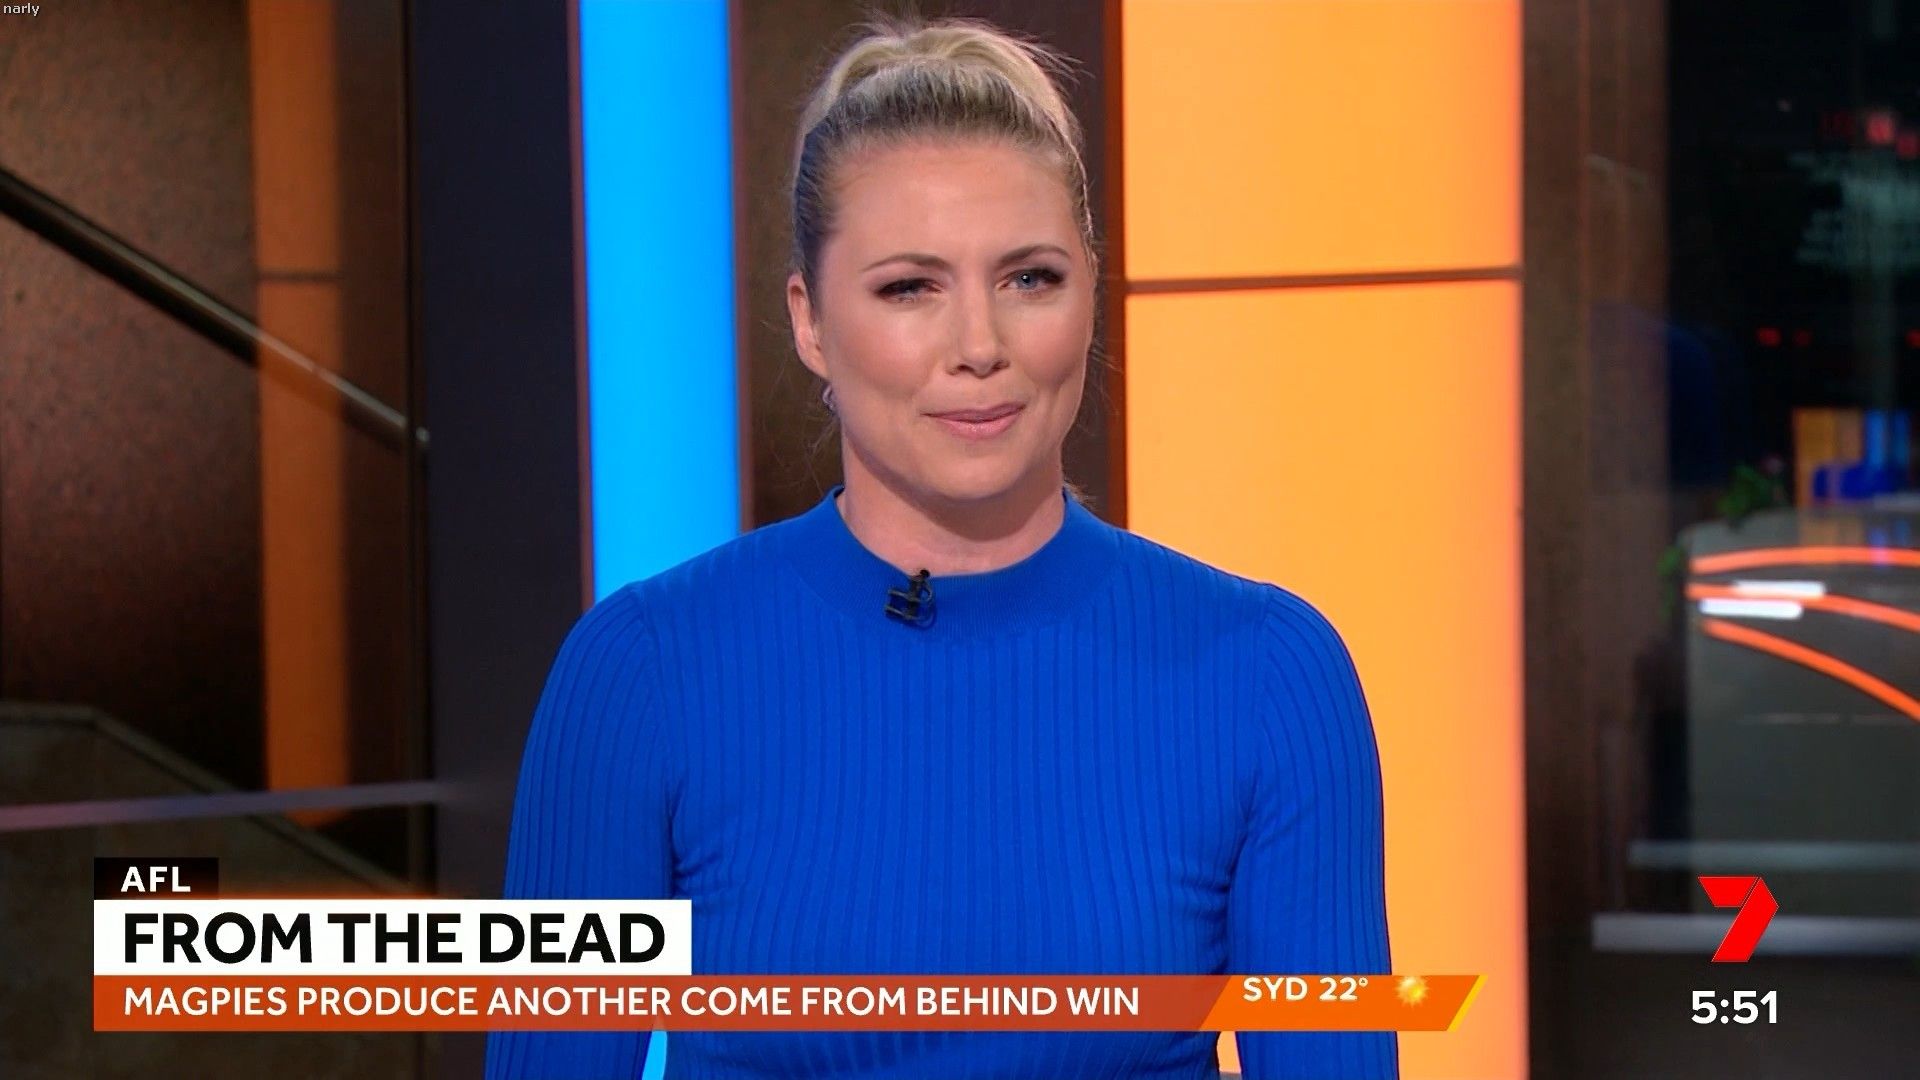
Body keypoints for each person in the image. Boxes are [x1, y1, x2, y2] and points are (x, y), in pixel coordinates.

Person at [486, 14, 1394, 1079]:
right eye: (909, 287)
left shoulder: (1268, 676)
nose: (979, 347)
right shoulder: (642, 674)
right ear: (810, 320)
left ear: (1091, 291)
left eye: (1030, 279)